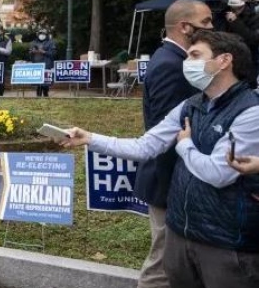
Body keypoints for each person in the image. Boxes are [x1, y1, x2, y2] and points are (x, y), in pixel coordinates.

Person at [62, 30, 259, 288]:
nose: (187, 63)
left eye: (195, 55)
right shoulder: (191, 104)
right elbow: (145, 146)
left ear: (224, 61)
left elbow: (218, 174)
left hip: (226, 244)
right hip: (181, 233)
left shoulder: (250, 111)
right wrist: (89, 138)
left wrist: (185, 145)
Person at [132, 0, 213, 288]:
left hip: (173, 180)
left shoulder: (173, 59)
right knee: (162, 265)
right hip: (168, 180)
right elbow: (164, 132)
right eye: (206, 22)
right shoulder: (171, 64)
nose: (212, 28)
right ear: (184, 26)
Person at [221, 0, 259, 69]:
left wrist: (235, 22)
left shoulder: (255, 16)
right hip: (225, 62)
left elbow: (254, 40)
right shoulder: (222, 13)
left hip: (247, 63)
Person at [29, 28, 56, 97]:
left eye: (43, 34)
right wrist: (32, 52)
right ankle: (38, 95)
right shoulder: (34, 42)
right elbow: (30, 53)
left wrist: (44, 52)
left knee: (45, 83)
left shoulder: (50, 42)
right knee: (37, 83)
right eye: (40, 34)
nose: (41, 35)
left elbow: (53, 54)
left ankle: (46, 94)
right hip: (36, 64)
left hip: (46, 65)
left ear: (46, 35)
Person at [0, 29, 12, 96]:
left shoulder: (7, 39)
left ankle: (0, 96)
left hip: (1, 63)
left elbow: (8, 52)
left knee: (0, 81)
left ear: (2, 31)